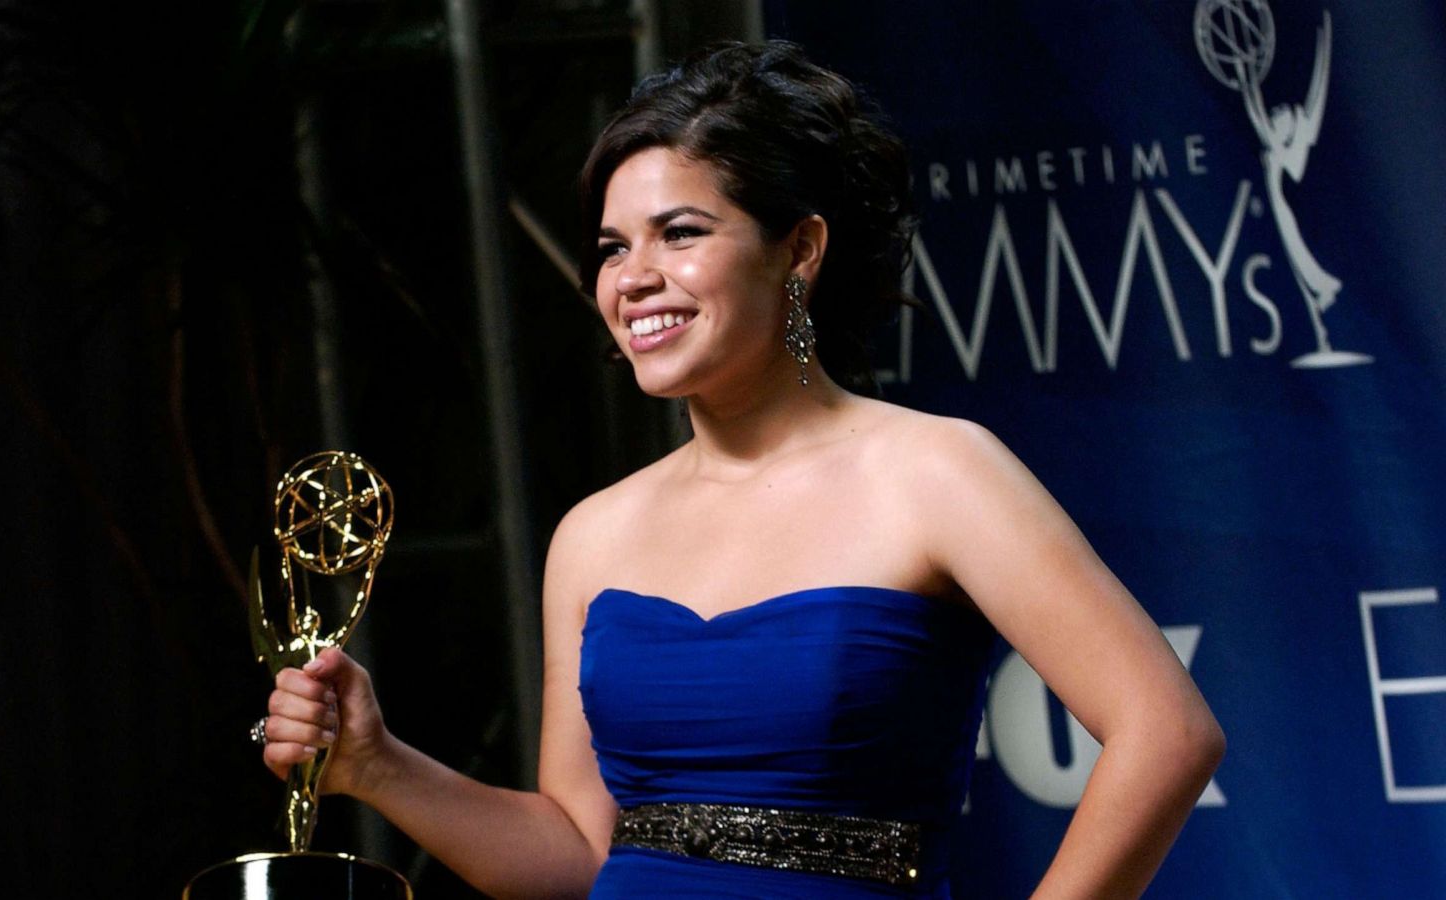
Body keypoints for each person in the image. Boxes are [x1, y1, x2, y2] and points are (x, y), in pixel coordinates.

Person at [261, 41, 1224, 899]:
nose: (631, 276)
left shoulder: (935, 472)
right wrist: (380, 767)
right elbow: (576, 853)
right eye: (611, 248)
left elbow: (1166, 733)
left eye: (680, 233)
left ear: (798, 250)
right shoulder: (594, 533)